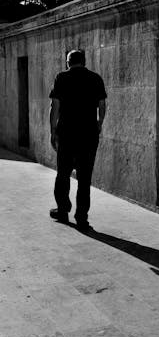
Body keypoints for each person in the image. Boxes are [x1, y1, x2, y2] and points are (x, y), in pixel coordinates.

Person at [49, 49, 107, 231]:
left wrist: (53, 131)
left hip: (67, 134)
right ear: (84, 61)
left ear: (68, 62)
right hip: (88, 134)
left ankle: (63, 210)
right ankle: (82, 217)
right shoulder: (96, 78)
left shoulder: (62, 77)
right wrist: (99, 124)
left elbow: (55, 105)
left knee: (63, 173)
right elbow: (102, 105)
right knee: (84, 177)